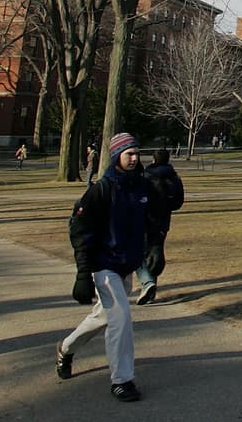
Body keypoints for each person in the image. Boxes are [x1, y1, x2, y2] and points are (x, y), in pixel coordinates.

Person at [58, 132, 165, 402]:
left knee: (104, 317)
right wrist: (83, 274)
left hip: (126, 265)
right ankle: (122, 380)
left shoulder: (143, 187)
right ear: (117, 155)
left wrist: (155, 248)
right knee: (120, 317)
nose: (134, 158)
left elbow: (156, 219)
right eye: (129, 154)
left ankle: (66, 349)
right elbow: (82, 233)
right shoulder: (101, 189)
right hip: (102, 265)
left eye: (137, 153)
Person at [135, 149, 184, 305]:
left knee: (140, 252)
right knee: (155, 252)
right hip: (163, 220)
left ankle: (147, 284)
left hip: (146, 219)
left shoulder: (147, 176)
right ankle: (151, 290)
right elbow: (179, 201)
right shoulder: (174, 177)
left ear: (153, 159)